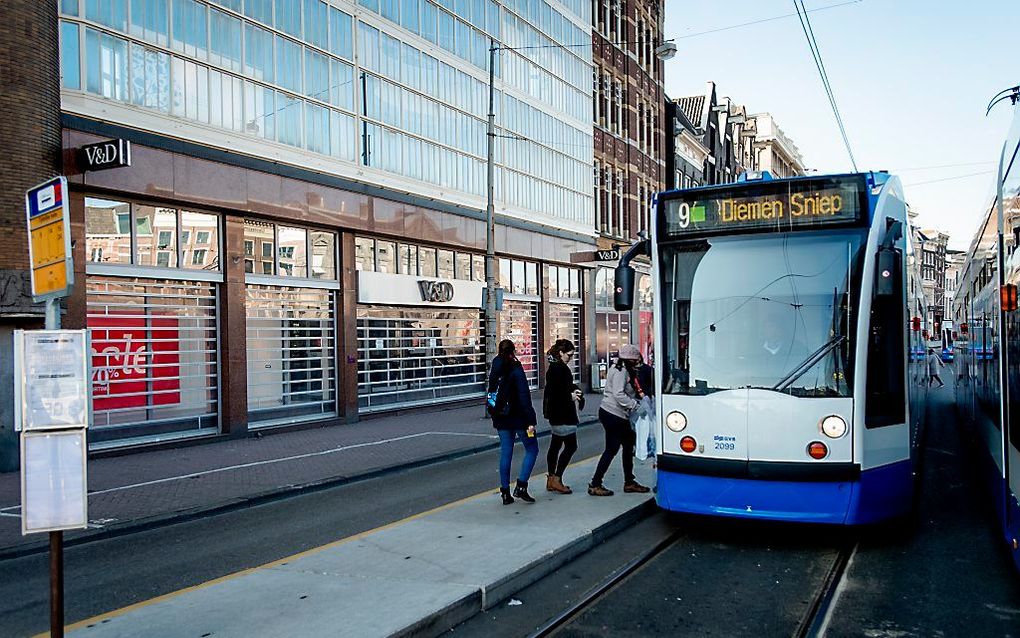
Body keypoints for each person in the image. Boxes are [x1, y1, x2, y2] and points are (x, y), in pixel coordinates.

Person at [589, 344, 651, 496]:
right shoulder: (621, 371)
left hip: (614, 413)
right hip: (613, 414)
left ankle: (629, 481)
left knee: (628, 443)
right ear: (630, 359)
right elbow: (618, 394)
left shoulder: (620, 368)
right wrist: (635, 405)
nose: (638, 364)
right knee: (612, 449)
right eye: (636, 361)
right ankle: (596, 484)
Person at [488, 339, 539, 505]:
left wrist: (493, 412)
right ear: (513, 351)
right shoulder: (516, 368)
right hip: (519, 417)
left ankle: (505, 492)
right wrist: (531, 420)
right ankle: (521, 486)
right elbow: (524, 396)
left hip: (501, 417)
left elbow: (491, 392)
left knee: (506, 452)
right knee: (532, 449)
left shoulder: (495, 367)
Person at [543, 339, 583, 494]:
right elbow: (558, 393)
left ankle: (551, 478)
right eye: (569, 355)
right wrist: (571, 396)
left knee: (555, 445)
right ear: (561, 353)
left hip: (554, 413)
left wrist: (573, 389)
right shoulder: (561, 369)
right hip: (563, 414)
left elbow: (556, 390)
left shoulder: (553, 367)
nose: (571, 358)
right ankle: (557, 479)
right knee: (571, 446)